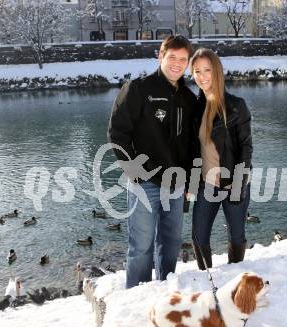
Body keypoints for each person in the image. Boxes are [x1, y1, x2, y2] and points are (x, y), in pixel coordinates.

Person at [108, 35, 196, 288]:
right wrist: (134, 172)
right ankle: (136, 297)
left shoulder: (189, 99)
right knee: (141, 247)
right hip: (145, 184)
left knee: (170, 245)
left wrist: (190, 180)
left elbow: (192, 146)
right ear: (160, 56)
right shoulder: (138, 89)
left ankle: (165, 292)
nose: (177, 64)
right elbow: (117, 133)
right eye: (172, 58)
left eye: (183, 59)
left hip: (177, 185)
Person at [190, 48, 253, 270]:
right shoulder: (195, 108)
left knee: (236, 235)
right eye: (197, 71)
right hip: (206, 185)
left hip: (232, 183)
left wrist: (237, 186)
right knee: (198, 235)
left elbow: (246, 148)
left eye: (207, 69)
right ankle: (207, 277)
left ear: (217, 71)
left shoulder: (236, 106)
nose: (202, 75)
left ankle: (234, 274)